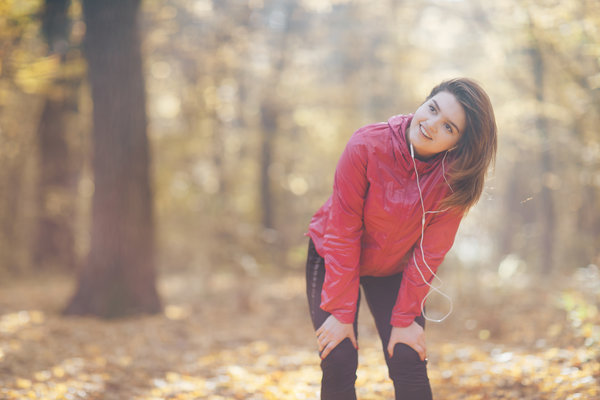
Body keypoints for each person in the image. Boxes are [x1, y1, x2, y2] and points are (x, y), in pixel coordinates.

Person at [305, 78, 497, 399]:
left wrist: (406, 318)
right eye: (432, 109)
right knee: (338, 357)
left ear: (459, 144)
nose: (432, 125)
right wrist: (340, 313)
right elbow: (343, 231)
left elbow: (429, 253)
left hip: (393, 268)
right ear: (423, 103)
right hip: (332, 254)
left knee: (407, 357)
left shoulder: (455, 182)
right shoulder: (366, 145)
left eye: (449, 127)